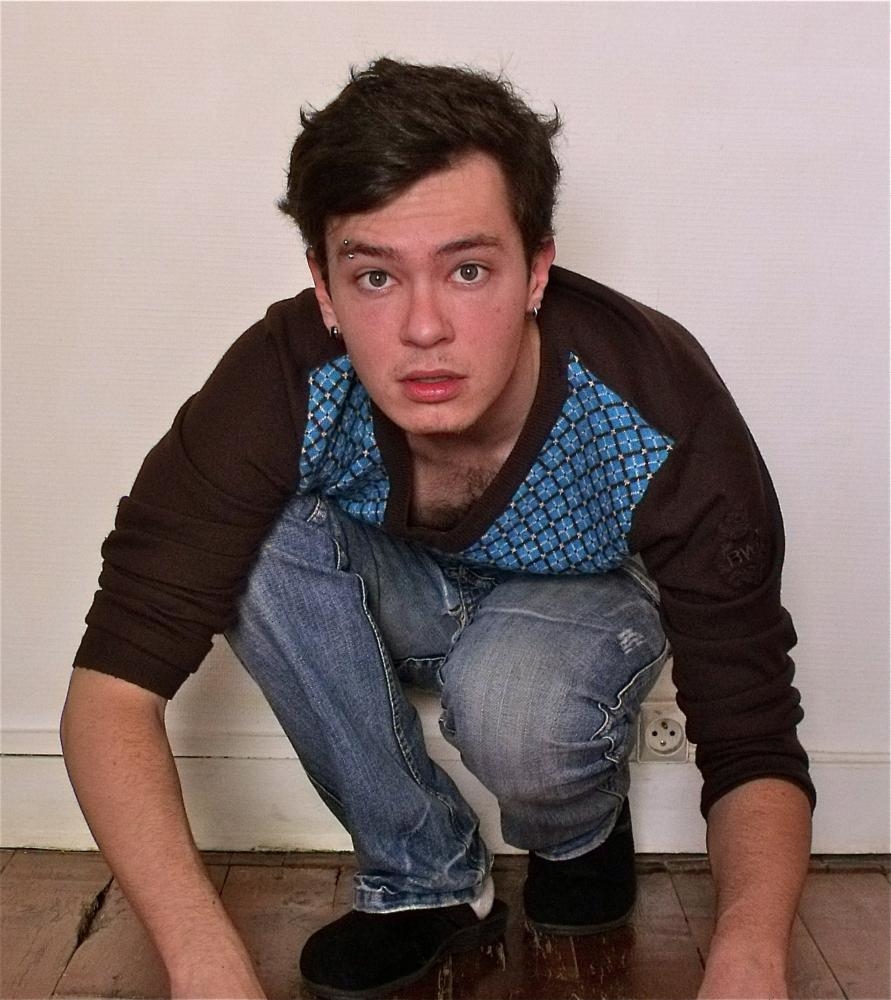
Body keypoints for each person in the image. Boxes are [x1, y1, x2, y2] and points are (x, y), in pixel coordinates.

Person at [61, 58, 815, 1000]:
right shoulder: (281, 381)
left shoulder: (657, 403)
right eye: (376, 276)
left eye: (467, 270)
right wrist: (203, 966)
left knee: (511, 700)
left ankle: (578, 832)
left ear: (536, 270)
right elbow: (111, 690)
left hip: (576, 606)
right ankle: (423, 878)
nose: (424, 327)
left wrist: (749, 963)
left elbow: (752, 734)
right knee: (255, 542)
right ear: (324, 288)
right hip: (401, 588)